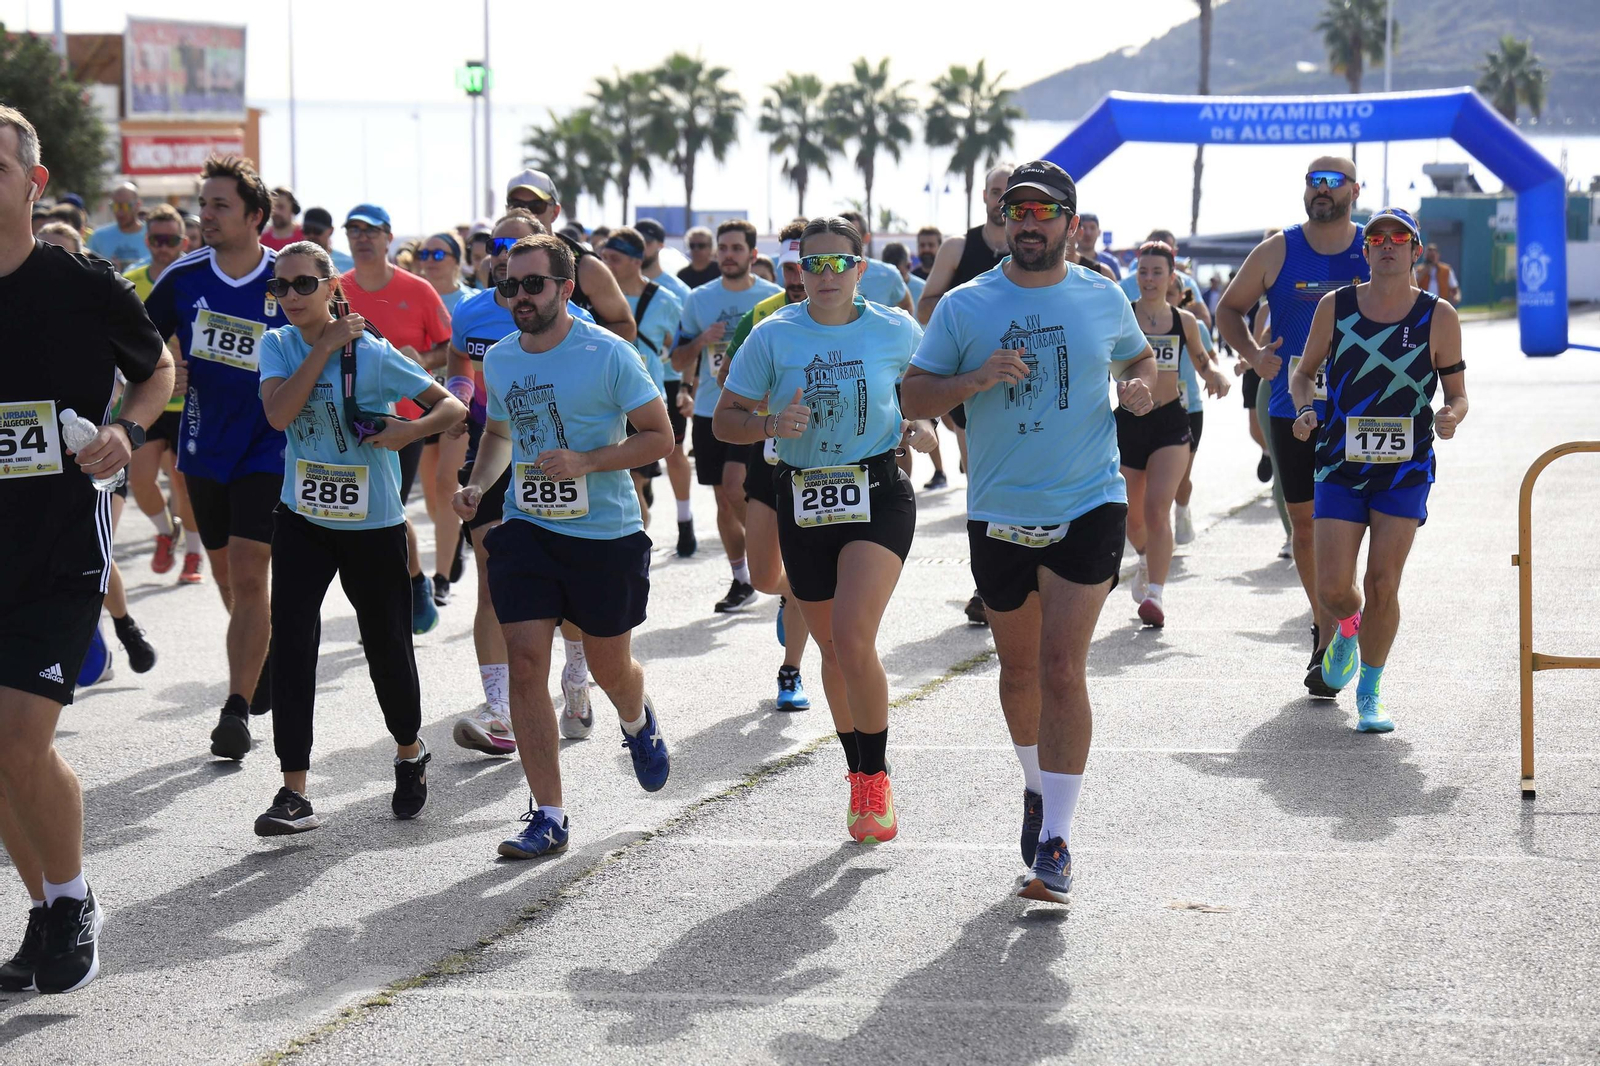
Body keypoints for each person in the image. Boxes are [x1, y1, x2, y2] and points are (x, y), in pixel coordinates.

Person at [901, 160, 1157, 906]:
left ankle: (1058, 843)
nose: (1029, 223)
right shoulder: (965, 305)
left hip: (1090, 501)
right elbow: (913, 393)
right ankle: (1036, 787)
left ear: (1070, 225)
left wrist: (1143, 386)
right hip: (1000, 508)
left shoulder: (1102, 295)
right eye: (1018, 212)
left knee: (1061, 669)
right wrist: (974, 379)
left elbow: (1142, 362)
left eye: (1044, 213)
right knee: (1016, 673)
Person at [0, 103, 174, 993]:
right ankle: (43, 913)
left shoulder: (80, 283)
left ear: (32, 185)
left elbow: (157, 369)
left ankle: (72, 903)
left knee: (19, 736)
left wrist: (124, 430)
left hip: (62, 540)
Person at [451, 233, 674, 860]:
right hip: (527, 529)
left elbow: (658, 437)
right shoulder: (499, 358)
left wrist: (587, 461)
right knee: (526, 664)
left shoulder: (608, 354)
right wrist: (476, 483)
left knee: (610, 669)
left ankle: (637, 718)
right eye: (508, 285)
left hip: (605, 534)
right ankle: (548, 814)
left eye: (532, 284)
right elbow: (499, 432)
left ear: (565, 288)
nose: (518, 296)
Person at [718, 216, 930, 841]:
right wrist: (767, 427)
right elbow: (726, 419)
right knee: (833, 651)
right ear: (797, 269)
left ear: (860, 269)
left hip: (876, 492)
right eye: (814, 264)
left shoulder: (895, 328)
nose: (825, 275)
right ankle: (860, 772)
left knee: (850, 634)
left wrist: (924, 426)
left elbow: (924, 397)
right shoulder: (773, 334)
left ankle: (875, 783)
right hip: (802, 496)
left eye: (839, 263)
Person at [253, 241, 467, 835]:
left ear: (331, 287)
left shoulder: (373, 355)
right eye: (281, 287)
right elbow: (277, 415)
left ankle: (409, 752)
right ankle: (294, 791)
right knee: (293, 646)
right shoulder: (276, 345)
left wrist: (409, 431)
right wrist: (323, 345)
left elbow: (450, 409)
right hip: (302, 518)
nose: (290, 296)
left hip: (372, 524)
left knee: (386, 647)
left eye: (303, 285)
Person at [1291, 207, 1467, 733]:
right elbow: (1303, 375)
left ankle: (1370, 692)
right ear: (1365, 251)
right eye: (1376, 238)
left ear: (1416, 249)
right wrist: (1305, 409)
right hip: (1341, 464)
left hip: (1404, 469)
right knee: (1333, 589)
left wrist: (1450, 416)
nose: (1386, 244)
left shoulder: (1439, 316)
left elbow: (1457, 394)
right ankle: (1346, 627)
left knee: (1384, 581)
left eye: (1398, 238)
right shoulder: (1336, 306)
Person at [144, 154, 289, 760]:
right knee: (229, 577)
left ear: (256, 216)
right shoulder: (182, 278)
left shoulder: (291, 277)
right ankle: (265, 653)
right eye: (202, 205)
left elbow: (339, 342)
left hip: (271, 443)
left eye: (219, 205)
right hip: (203, 447)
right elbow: (136, 346)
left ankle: (235, 709)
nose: (205, 215)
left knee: (254, 571)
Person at [443, 211, 599, 754]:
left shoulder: (578, 322)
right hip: (494, 447)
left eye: (517, 244)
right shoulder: (471, 310)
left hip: (560, 459)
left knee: (568, 592)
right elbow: (458, 359)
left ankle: (577, 675)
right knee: (493, 582)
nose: (504, 253)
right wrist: (460, 395)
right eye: (497, 244)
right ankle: (500, 708)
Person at [1217, 157, 1369, 698]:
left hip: (1365, 411)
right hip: (1291, 407)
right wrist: (1255, 355)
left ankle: (1352, 615)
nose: (1322, 189)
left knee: (1356, 525)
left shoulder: (1374, 248)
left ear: (1355, 189)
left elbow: (1412, 315)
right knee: (1305, 527)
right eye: (1314, 180)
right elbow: (1228, 310)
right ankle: (1325, 634)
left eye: (1333, 181)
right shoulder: (1278, 249)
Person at [32, 224, 160, 681]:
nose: (52, 262)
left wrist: (123, 429)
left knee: (92, 548)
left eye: (63, 254)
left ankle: (119, 628)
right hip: (32, 466)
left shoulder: (95, 299)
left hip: (99, 459)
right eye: (45, 249)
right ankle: (107, 631)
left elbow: (148, 369)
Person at [714, 222, 815, 712]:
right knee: (763, 576)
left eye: (806, 266)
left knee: (803, 572)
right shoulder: (761, 314)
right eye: (790, 268)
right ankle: (793, 593)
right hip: (769, 452)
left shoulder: (846, 314)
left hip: (822, 465)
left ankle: (791, 671)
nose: (798, 277)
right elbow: (728, 381)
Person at [339, 203, 453, 634]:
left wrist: (419, 358)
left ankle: (411, 584)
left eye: (372, 230)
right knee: (358, 511)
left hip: (401, 422)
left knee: (389, 508)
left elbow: (449, 347)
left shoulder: (419, 289)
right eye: (354, 229)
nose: (362, 237)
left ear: (389, 237)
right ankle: (402, 583)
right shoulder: (334, 288)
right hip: (342, 419)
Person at [916, 160, 1016, 626]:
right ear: (984, 196)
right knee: (984, 481)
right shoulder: (960, 247)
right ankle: (987, 583)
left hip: (1026, 378)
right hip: (972, 382)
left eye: (1009, 191)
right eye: (996, 190)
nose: (1002, 199)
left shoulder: (1036, 249)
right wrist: (972, 310)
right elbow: (927, 303)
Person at [673, 219, 782, 614]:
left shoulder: (774, 297)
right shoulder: (698, 298)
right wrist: (703, 340)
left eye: (737, 248)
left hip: (757, 410)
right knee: (722, 499)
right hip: (709, 409)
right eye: (724, 247)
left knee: (736, 485)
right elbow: (678, 358)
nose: (728, 255)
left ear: (753, 254)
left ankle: (771, 555)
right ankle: (742, 580)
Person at [1122, 241, 1228, 627]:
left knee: (1156, 509)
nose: (1149, 279)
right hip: (1128, 422)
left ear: (1172, 278)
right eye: (1143, 272)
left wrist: (1215, 375)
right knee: (1132, 518)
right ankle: (1146, 560)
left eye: (1157, 272)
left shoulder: (1182, 320)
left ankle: (1156, 596)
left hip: (1169, 421)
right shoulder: (1124, 316)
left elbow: (1203, 361)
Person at [123, 204, 205, 586]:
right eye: (156, 240)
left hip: (190, 398)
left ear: (183, 241)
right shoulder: (131, 280)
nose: (162, 247)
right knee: (140, 479)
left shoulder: (196, 278)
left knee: (183, 482)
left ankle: (193, 552)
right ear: (147, 240)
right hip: (147, 394)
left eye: (170, 240)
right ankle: (164, 530)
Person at [597, 226, 683, 528]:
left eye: (615, 258)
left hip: (645, 401)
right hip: (604, 401)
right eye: (603, 257)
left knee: (633, 480)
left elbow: (678, 349)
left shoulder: (666, 300)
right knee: (620, 480)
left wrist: (685, 389)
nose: (606, 264)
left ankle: (638, 542)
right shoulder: (594, 299)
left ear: (637, 260)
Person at [503, 170, 635, 343]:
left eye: (536, 206)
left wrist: (572, 350)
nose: (527, 213)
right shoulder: (494, 263)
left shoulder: (585, 266)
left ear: (555, 212)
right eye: (517, 205)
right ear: (507, 210)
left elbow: (626, 326)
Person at [415, 232, 471, 604]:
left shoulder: (467, 301)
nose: (431, 259)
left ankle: (442, 577)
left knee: (445, 480)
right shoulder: (414, 293)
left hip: (457, 403)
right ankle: (455, 542)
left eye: (439, 253)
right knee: (433, 498)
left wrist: (426, 359)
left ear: (456, 259)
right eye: (425, 252)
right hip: (415, 404)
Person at [636, 218, 696, 552]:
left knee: (673, 452)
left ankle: (685, 521)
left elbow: (685, 346)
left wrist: (688, 387)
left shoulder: (677, 290)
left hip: (669, 382)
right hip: (631, 383)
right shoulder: (614, 285)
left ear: (659, 244)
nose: (640, 248)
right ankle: (639, 506)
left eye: (646, 241)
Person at [837, 211, 914, 312]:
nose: (845, 241)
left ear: (866, 238)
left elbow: (907, 307)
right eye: (840, 235)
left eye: (852, 236)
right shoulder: (826, 274)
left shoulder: (889, 273)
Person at [86, 181, 146, 271]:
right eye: (115, 206)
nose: (120, 212)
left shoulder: (152, 235)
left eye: (125, 206)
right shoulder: (99, 237)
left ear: (138, 205)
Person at [301, 207, 353, 272]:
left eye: (317, 230)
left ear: (331, 231)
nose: (312, 235)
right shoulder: (293, 262)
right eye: (307, 230)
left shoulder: (348, 265)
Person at [1075, 213, 1121, 280]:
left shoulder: (1111, 263)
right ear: (1075, 231)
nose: (1088, 233)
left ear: (1099, 232)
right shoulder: (1065, 261)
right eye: (1083, 228)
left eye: (1092, 228)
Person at [260, 186, 303, 252]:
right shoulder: (262, 241)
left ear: (293, 209)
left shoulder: (305, 236)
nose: (276, 212)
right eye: (273, 207)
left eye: (281, 207)